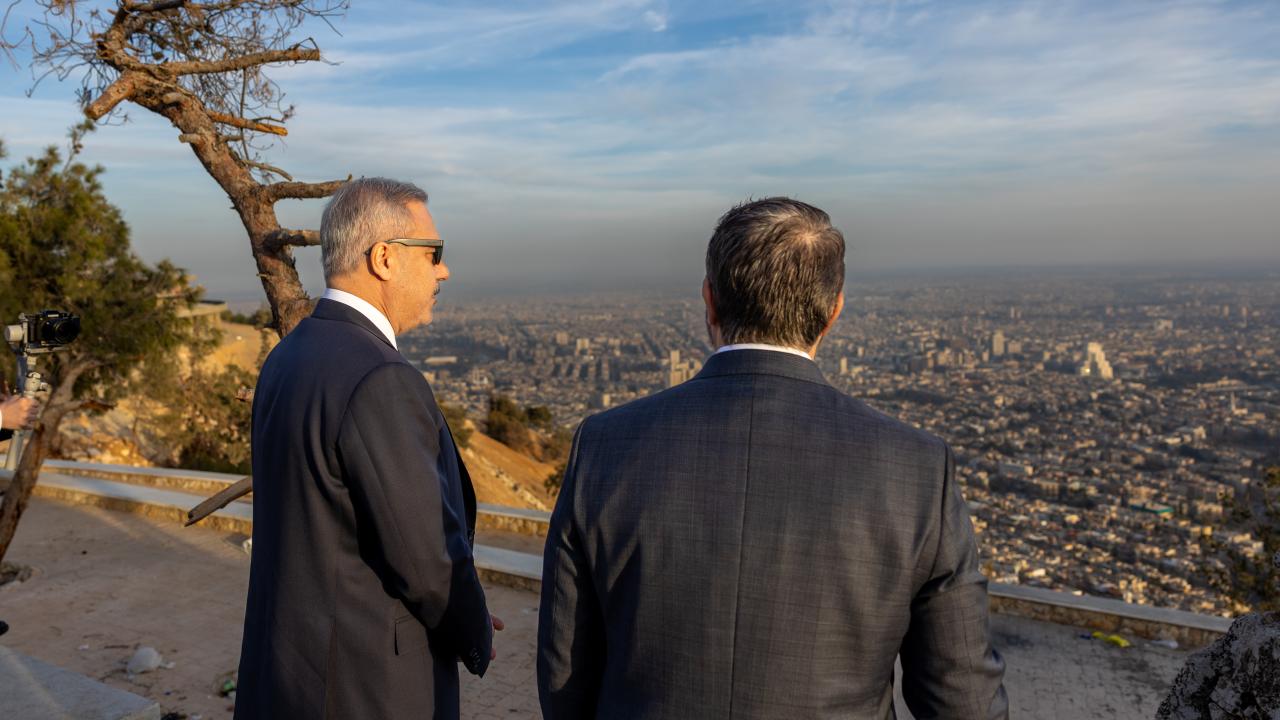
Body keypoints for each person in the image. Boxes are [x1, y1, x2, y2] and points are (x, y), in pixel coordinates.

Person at [538, 197, 1008, 719]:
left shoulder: (605, 445)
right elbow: (963, 700)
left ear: (709, 301)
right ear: (834, 311)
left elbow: (565, 676)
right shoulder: (916, 469)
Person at [235, 178, 499, 719]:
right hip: (364, 684)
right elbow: (424, 558)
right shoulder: (380, 378)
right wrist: (473, 629)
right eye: (434, 253)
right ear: (384, 257)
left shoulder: (287, 357)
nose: (443, 270)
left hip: (289, 671)